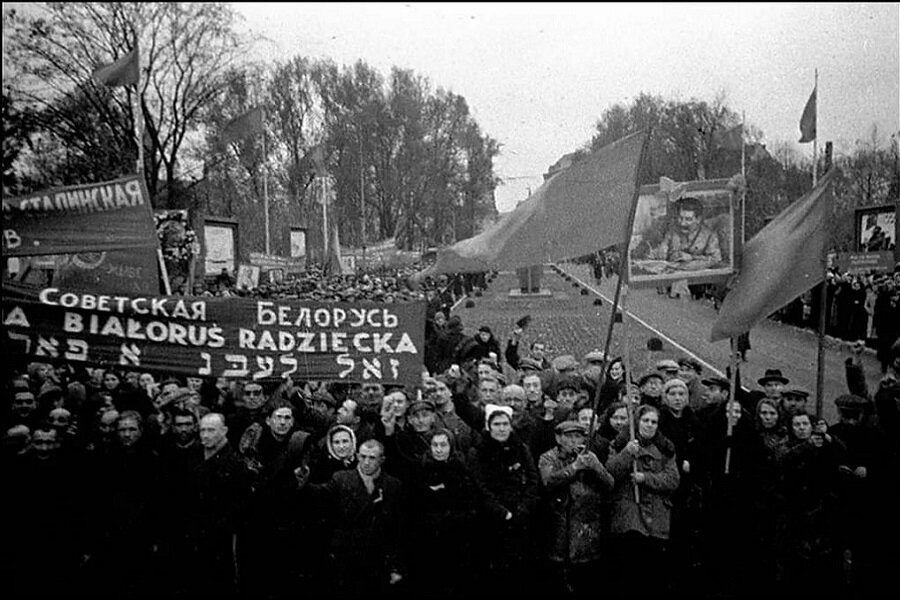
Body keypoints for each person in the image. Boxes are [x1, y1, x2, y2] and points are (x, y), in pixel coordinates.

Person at [294, 439, 405, 596]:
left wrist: (396, 566)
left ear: (382, 459)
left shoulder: (393, 485)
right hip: (346, 558)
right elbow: (319, 496)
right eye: (363, 456)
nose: (366, 462)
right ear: (357, 456)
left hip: (378, 560)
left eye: (372, 458)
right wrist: (304, 484)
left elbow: (397, 529)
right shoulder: (341, 479)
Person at [606, 404, 680, 597]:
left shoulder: (666, 448)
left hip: (656, 516)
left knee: (652, 573)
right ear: (637, 422)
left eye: (653, 422)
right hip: (629, 514)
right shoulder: (621, 443)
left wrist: (645, 478)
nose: (649, 425)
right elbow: (610, 474)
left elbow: (672, 480)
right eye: (645, 420)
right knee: (629, 570)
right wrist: (627, 454)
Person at [467, 407, 540, 597]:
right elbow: (479, 486)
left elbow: (533, 480)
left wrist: (523, 508)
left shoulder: (521, 449)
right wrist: (501, 511)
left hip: (520, 517)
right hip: (492, 519)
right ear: (489, 427)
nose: (501, 429)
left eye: (505, 424)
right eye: (496, 424)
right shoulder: (478, 452)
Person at [538, 420, 614, 595]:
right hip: (561, 525)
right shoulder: (548, 457)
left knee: (586, 575)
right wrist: (574, 467)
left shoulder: (590, 457)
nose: (574, 441)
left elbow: (609, 483)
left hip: (587, 525)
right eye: (569, 437)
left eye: (578, 436)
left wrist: (596, 467)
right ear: (558, 438)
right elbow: (548, 481)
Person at [405, 428, 478, 597]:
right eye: (435, 445)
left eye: (443, 445)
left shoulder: (462, 471)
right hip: (426, 541)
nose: (439, 449)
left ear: (451, 447)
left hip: (455, 541)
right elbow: (412, 507)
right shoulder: (419, 470)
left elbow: (470, 507)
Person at [645, 196, 722, 272]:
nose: (682, 223)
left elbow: (716, 259)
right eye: (680, 218)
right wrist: (658, 253)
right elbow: (663, 249)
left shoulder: (709, 235)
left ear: (698, 219)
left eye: (688, 219)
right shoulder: (672, 231)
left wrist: (692, 257)